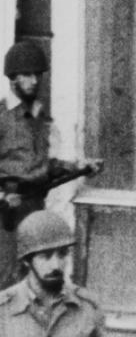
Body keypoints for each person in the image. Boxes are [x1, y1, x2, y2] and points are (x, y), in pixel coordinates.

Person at [0, 42, 103, 290]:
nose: (33, 81)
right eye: (26, 75)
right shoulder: (2, 117)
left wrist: (79, 166)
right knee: (7, 280)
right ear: (12, 78)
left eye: (37, 75)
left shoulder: (38, 116)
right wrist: (2, 196)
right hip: (7, 215)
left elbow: (44, 165)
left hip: (35, 207)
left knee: (32, 277)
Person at [0, 210, 118, 337]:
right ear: (27, 261)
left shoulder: (88, 307)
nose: (56, 264)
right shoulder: (3, 309)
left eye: (62, 254)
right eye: (46, 256)